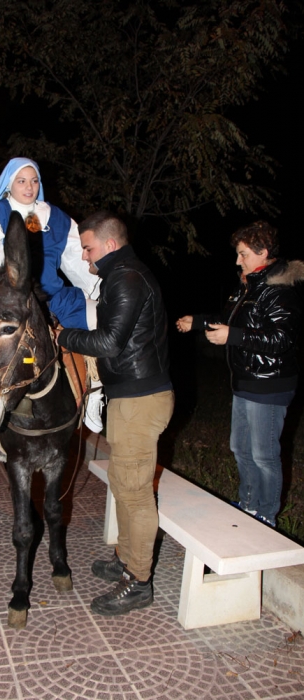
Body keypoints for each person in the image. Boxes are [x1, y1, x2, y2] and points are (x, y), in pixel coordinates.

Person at [58, 211, 174, 616]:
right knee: (125, 486)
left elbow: (108, 342)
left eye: (88, 247)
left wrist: (63, 335)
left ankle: (139, 581)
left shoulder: (125, 278)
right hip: (130, 395)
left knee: (136, 491)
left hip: (141, 399)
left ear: (108, 244)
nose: (85, 256)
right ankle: (127, 561)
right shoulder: (121, 275)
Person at [177, 221, 304, 527]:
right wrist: (198, 322)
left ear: (263, 253)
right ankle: (247, 505)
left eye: (243, 254)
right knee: (240, 448)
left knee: (264, 456)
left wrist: (232, 336)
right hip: (245, 382)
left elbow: (281, 339)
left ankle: (266, 515)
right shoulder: (249, 286)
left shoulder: (280, 290)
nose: (238, 261)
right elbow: (226, 321)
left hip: (269, 384)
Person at [0, 157, 103, 432]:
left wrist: (99, 285)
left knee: (103, 317)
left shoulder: (54, 216)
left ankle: (95, 391)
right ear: (10, 184)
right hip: (17, 301)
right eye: (22, 181)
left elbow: (76, 255)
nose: (29, 186)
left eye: (34, 181)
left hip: (54, 295)